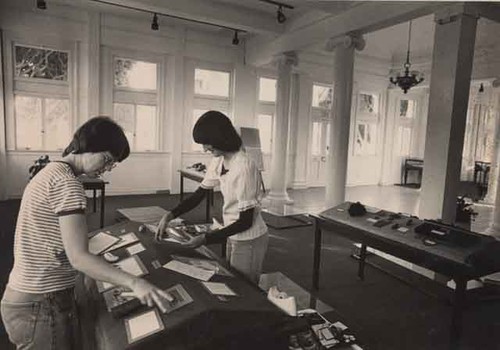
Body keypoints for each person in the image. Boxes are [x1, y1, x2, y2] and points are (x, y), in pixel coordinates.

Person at [1, 116, 172, 350]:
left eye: (112, 164)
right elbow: (78, 258)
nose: (108, 168)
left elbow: (58, 238)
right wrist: (134, 283)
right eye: (106, 159)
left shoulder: (51, 170)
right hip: (42, 301)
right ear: (87, 146)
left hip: (26, 296)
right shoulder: (68, 184)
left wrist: (102, 265)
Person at [155, 110, 268, 283]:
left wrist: (205, 239)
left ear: (219, 138)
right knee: (234, 281)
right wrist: (170, 215)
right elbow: (198, 195)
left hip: (249, 237)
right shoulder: (219, 160)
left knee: (246, 288)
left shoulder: (244, 166)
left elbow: (246, 221)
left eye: (206, 143)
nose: (205, 148)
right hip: (232, 232)